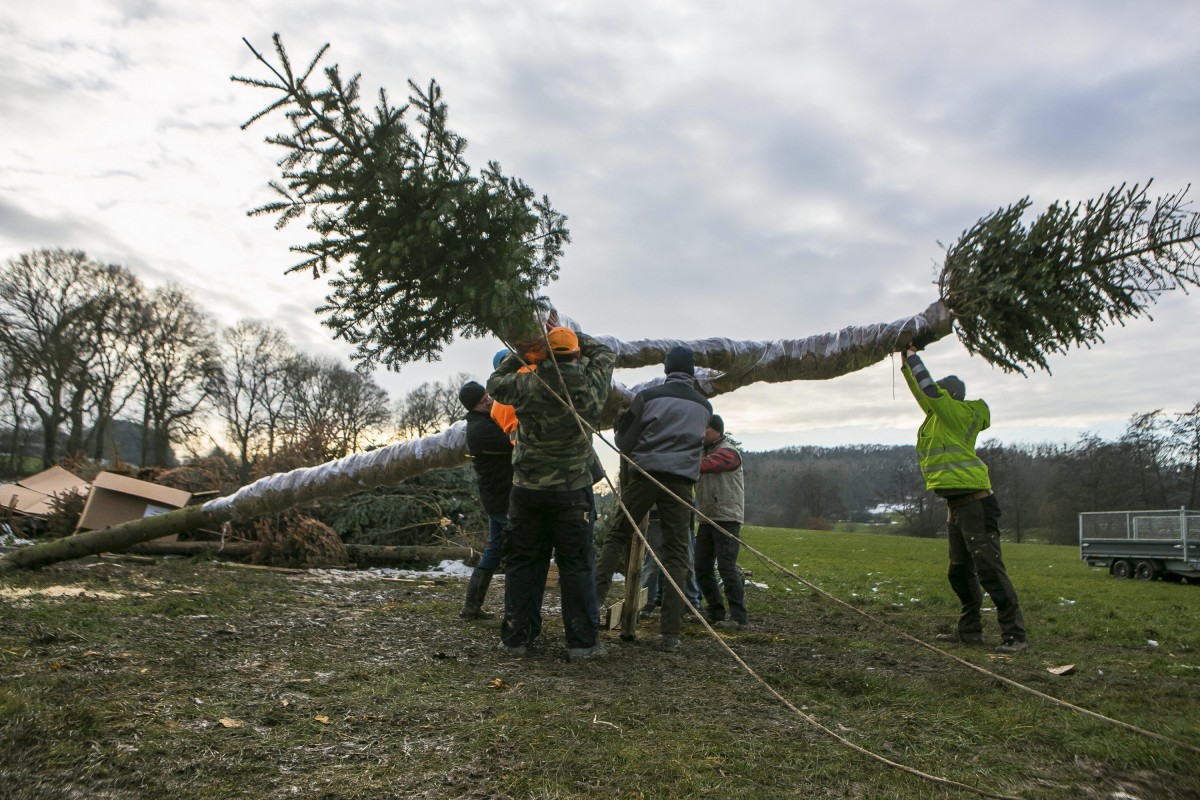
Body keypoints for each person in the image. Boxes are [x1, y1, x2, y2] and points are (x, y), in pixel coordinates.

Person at [486, 327, 615, 660]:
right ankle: (582, 644)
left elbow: (493, 386)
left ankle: (516, 638)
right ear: (575, 354)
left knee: (524, 564)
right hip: (572, 491)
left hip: (527, 491)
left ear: (543, 354)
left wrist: (524, 352)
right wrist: (574, 336)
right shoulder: (590, 385)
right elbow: (605, 352)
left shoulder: (526, 382)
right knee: (576, 567)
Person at [901, 345, 1028, 654]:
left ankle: (1015, 635)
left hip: (975, 504)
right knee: (959, 571)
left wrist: (916, 357)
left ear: (951, 396)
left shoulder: (958, 413)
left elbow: (929, 390)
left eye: (941, 394)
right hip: (957, 506)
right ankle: (969, 630)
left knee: (989, 569)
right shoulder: (939, 417)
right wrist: (904, 361)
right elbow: (923, 392)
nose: (934, 398)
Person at [595, 345, 712, 652]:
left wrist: (622, 427)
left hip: (645, 476)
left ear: (666, 369)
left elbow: (625, 441)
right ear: (691, 371)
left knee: (617, 535)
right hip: (682, 483)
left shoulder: (648, 398)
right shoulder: (704, 406)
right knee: (676, 553)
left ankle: (592, 605)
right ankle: (671, 633)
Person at [457, 381, 514, 619]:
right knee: (517, 548)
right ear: (473, 407)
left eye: (487, 395)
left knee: (494, 549)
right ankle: (514, 610)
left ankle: (471, 606)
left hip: (496, 496)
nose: (488, 400)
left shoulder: (485, 419)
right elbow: (514, 444)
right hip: (500, 498)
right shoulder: (480, 429)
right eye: (482, 400)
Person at [694, 414, 748, 630]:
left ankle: (739, 618)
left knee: (727, 568)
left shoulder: (729, 452)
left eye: (704, 430)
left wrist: (685, 461)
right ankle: (715, 611)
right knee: (702, 567)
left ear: (716, 430)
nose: (701, 435)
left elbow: (708, 465)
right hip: (707, 517)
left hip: (727, 517)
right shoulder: (702, 452)